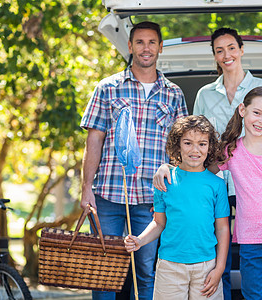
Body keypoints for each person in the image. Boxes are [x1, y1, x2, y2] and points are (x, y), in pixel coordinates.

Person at [155, 87, 262, 300]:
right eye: (257, 112)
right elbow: (196, 171)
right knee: (252, 295)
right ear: (242, 110)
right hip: (251, 241)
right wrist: (168, 168)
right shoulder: (231, 151)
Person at [80, 21, 188, 300]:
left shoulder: (173, 93)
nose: (146, 48)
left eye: (152, 42)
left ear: (160, 47)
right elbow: (94, 140)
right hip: (108, 195)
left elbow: (180, 148)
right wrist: (86, 188)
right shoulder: (107, 88)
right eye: (140, 42)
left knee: (146, 273)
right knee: (105, 273)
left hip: (152, 200)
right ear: (130, 46)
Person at [193, 27, 262, 299]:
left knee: (252, 250)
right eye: (219, 50)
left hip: (254, 185)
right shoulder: (204, 94)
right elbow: (197, 140)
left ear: (241, 50)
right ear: (214, 56)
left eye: (231, 48)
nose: (226, 54)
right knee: (216, 245)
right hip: (216, 182)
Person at [124, 115, 230, 300]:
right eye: (188, 143)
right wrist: (140, 240)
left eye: (202, 144)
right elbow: (158, 223)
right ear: (177, 145)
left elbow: (222, 229)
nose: (195, 150)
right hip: (170, 266)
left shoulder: (217, 184)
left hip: (206, 266)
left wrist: (219, 269)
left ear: (210, 147)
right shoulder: (164, 180)